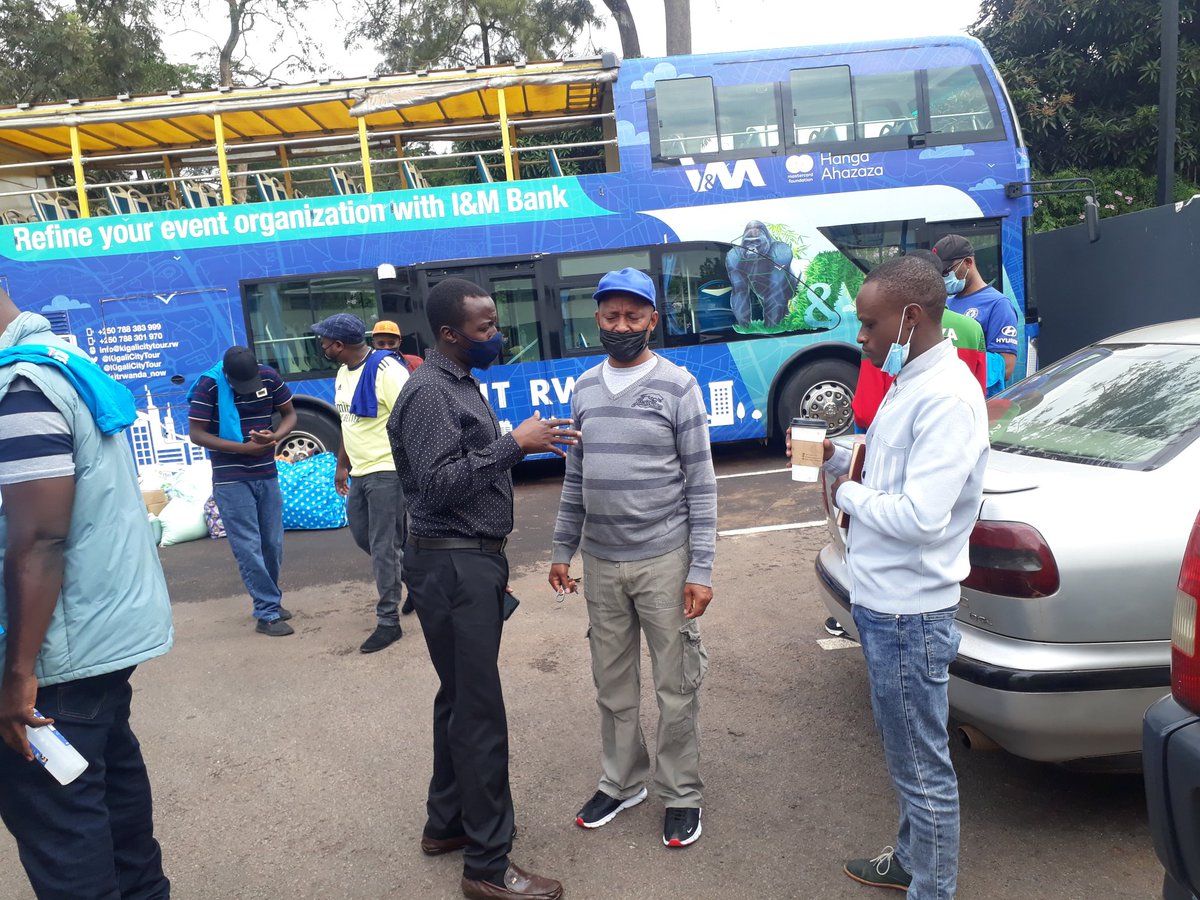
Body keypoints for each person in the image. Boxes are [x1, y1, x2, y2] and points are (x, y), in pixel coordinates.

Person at [798, 255, 988, 899]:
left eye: (869, 323)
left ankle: (930, 887)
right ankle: (912, 859)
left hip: (910, 612)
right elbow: (894, 471)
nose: (861, 336)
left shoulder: (948, 398)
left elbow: (920, 516)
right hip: (886, 604)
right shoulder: (911, 381)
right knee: (907, 752)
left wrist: (847, 493)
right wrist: (844, 454)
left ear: (910, 318)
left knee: (921, 766)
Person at [387, 277, 577, 900]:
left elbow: (456, 471)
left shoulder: (457, 384)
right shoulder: (429, 394)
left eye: (493, 322)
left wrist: (514, 444)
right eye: (484, 327)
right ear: (449, 335)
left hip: (468, 563)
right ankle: (489, 868)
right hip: (454, 565)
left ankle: (447, 825)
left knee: (459, 699)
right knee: (479, 714)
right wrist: (512, 445)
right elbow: (439, 486)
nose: (496, 335)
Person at [0, 288, 174, 898]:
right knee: (121, 829)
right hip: (94, 648)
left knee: (67, 842)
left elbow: (39, 538)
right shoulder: (60, 362)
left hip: (49, 667)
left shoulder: (19, 388)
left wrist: (17, 675)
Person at [548, 267, 716, 850]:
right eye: (611, 316)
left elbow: (702, 484)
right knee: (612, 683)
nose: (622, 326)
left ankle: (681, 792)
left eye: (634, 316)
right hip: (601, 564)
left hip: (664, 561)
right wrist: (561, 549)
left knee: (676, 685)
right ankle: (622, 782)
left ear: (653, 320)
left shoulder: (678, 386)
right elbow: (577, 478)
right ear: (596, 318)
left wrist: (701, 569)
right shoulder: (584, 389)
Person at [315, 313, 412, 653]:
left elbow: (411, 418)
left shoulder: (389, 372)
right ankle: (415, 580)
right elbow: (348, 424)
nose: (322, 347)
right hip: (359, 471)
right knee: (364, 536)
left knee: (383, 547)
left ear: (338, 345)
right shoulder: (342, 373)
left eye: (324, 342)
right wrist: (342, 465)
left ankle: (389, 622)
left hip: (387, 470)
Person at [188, 345, 298, 636]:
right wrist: (243, 449)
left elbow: (289, 415)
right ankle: (266, 611)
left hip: (266, 472)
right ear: (226, 375)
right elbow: (197, 433)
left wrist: (274, 435)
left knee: (272, 543)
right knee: (248, 546)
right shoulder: (208, 385)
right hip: (231, 478)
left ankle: (270, 599)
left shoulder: (269, 377)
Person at [931, 234, 1019, 395]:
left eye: (946, 272)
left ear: (968, 262)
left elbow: (1006, 368)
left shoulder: (998, 305)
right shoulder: (947, 303)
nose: (943, 279)